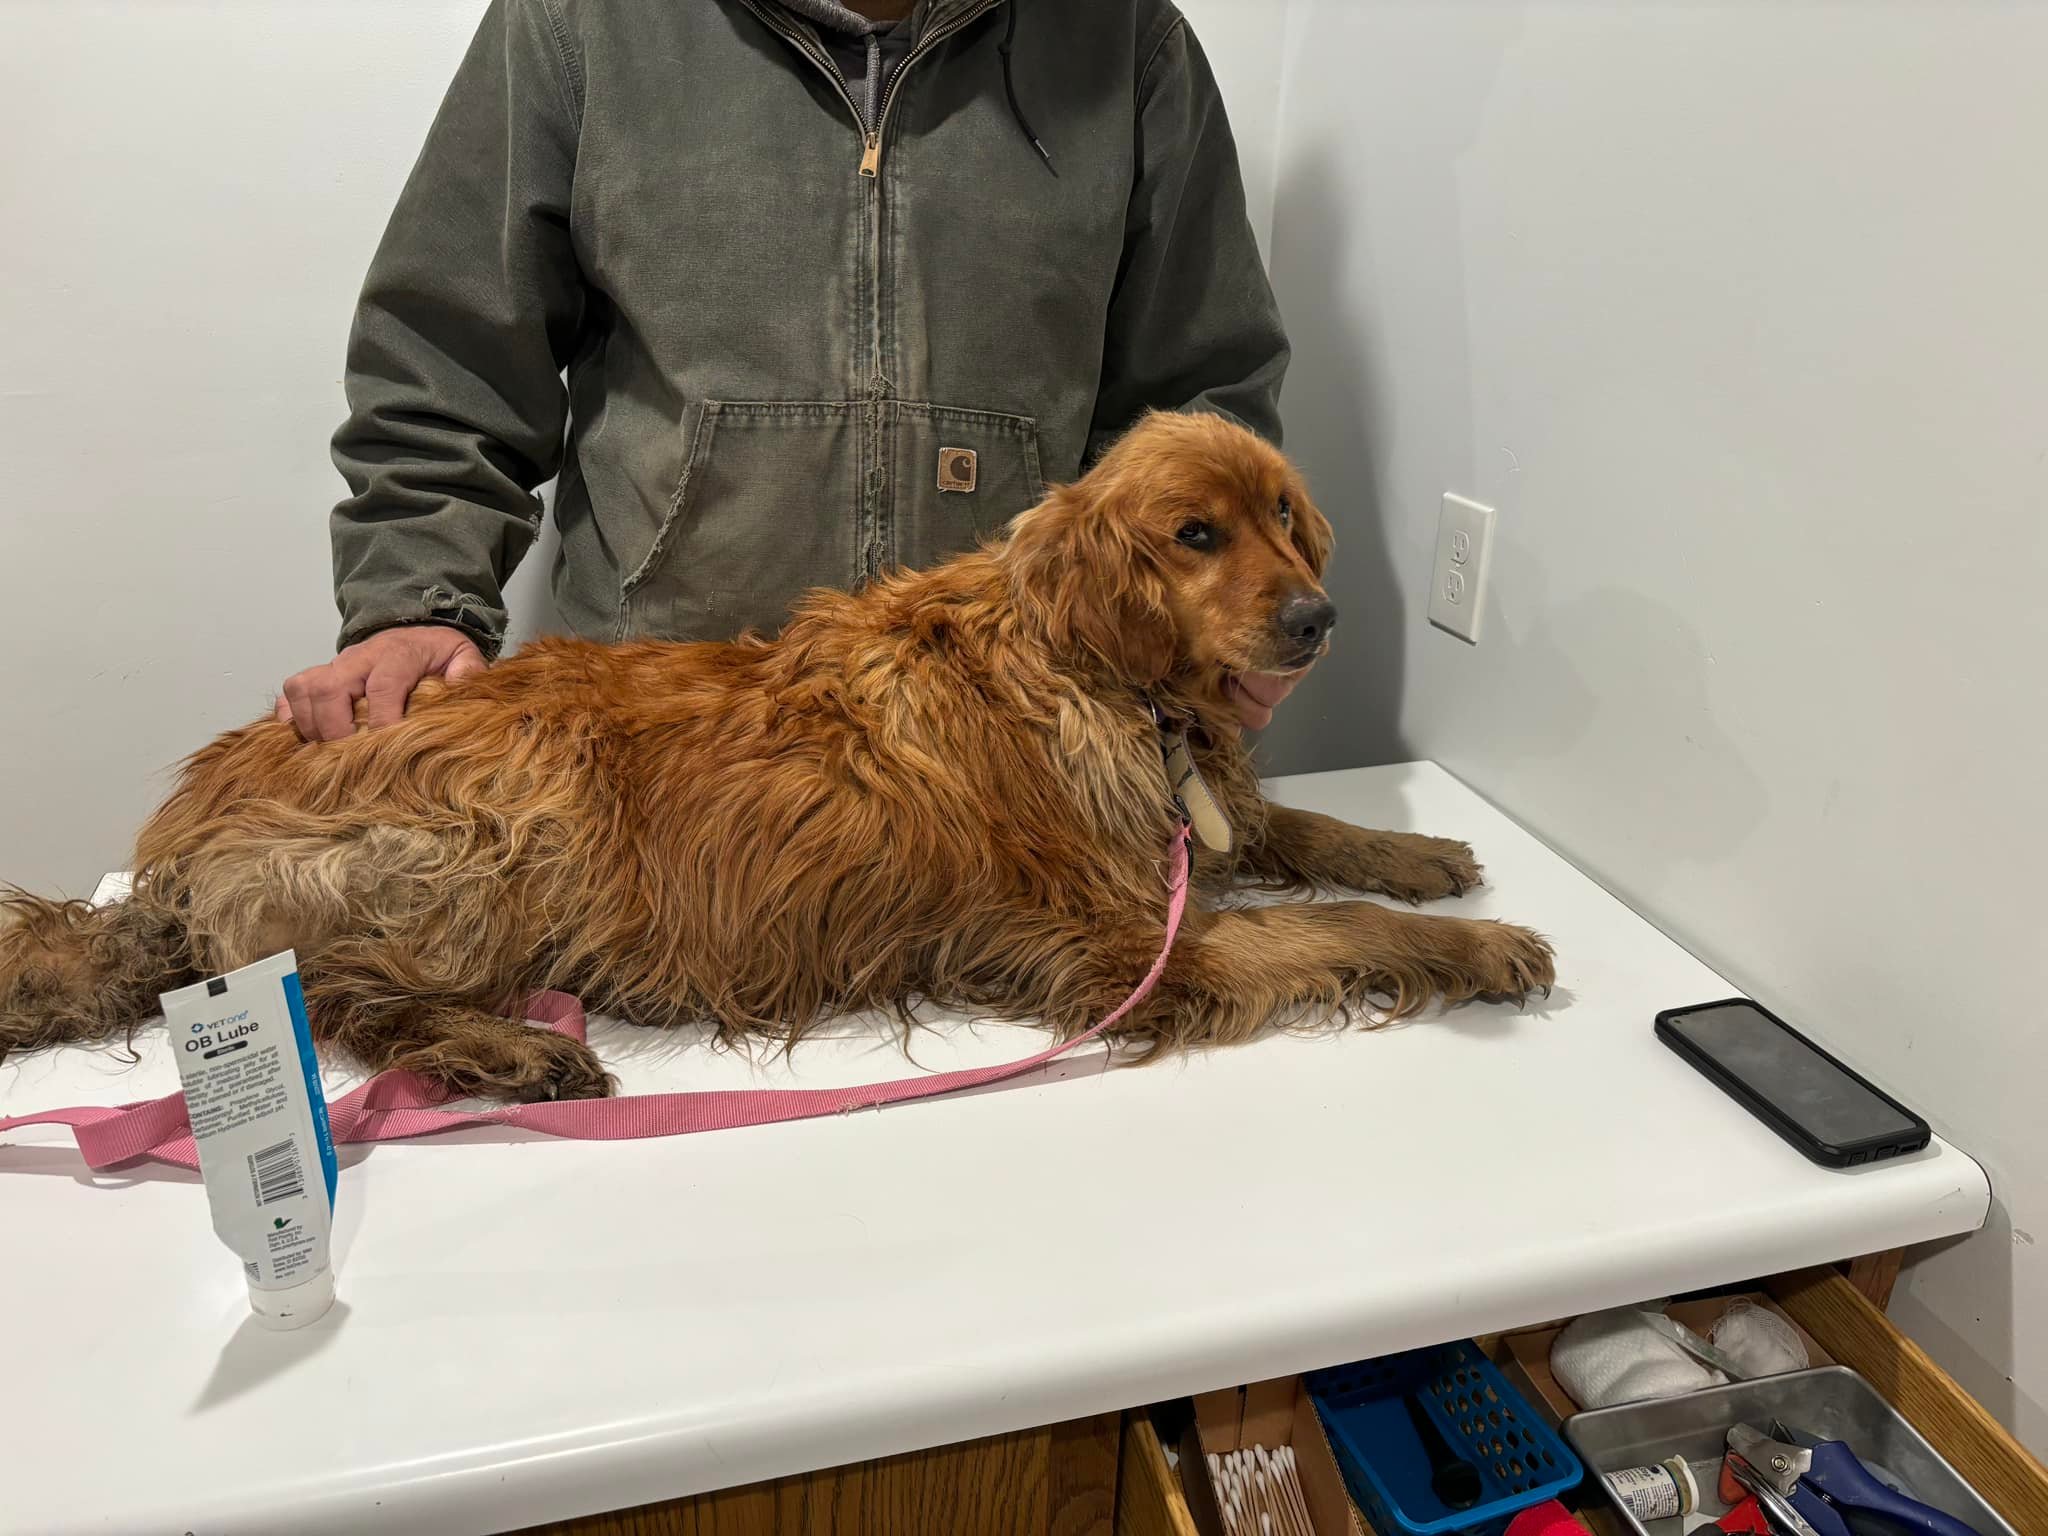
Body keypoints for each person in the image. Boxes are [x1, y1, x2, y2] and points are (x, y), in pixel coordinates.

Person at [277, 0, 1301, 742]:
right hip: (664, 740)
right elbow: (448, 356)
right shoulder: (579, 26)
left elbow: (1197, 394)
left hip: (1012, 740)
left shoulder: (1125, 45)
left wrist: (1222, 611)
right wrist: (416, 603)